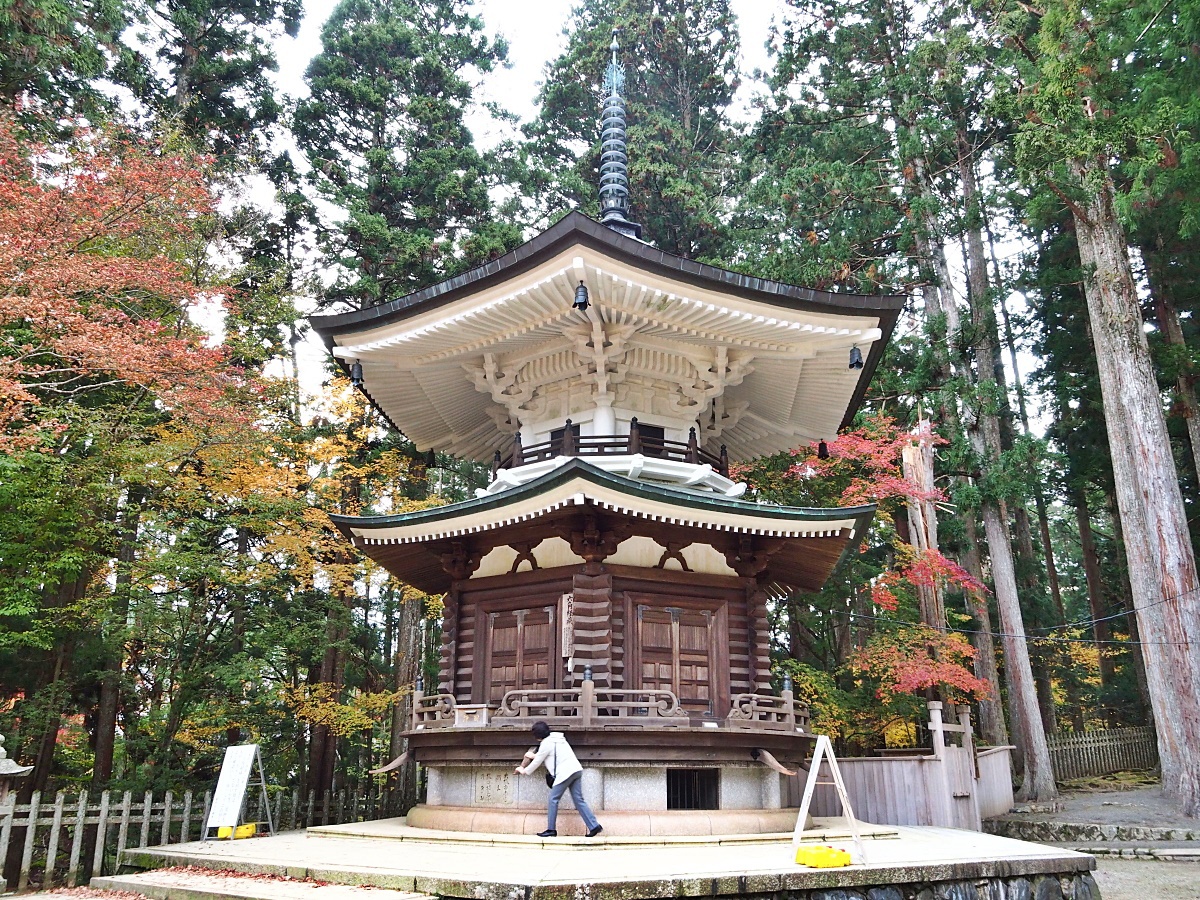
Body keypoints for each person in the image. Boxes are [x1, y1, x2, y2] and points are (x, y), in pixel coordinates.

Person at [514, 721, 603, 837]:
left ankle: (551, 829)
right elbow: (550, 754)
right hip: (576, 770)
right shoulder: (558, 738)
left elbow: (537, 761)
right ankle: (594, 825)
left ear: (537, 736)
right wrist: (535, 755)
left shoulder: (546, 743)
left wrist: (523, 770)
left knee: (553, 799)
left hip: (565, 773)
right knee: (579, 800)